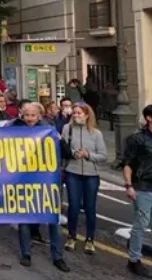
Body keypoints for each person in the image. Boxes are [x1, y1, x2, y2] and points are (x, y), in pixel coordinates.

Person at [14, 102, 70, 272]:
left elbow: (67, 153)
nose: (30, 118)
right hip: (24, 181)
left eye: (33, 115)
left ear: (39, 116)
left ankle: (58, 256)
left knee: (53, 219)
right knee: (24, 219)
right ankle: (26, 254)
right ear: (22, 116)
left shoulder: (48, 129)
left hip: (46, 182)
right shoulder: (14, 130)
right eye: (27, 115)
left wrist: (60, 139)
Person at [62, 102, 107, 254]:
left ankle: (90, 239)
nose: (76, 116)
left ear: (87, 115)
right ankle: (71, 236)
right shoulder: (67, 129)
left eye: (79, 113)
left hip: (91, 175)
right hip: (72, 172)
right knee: (73, 206)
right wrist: (73, 153)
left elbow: (103, 156)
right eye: (74, 113)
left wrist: (88, 155)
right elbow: (63, 149)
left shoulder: (96, 133)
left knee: (90, 208)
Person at [124, 104, 152, 277]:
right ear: (149, 118)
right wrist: (128, 185)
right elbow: (128, 163)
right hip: (142, 186)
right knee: (141, 224)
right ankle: (134, 259)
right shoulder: (138, 139)